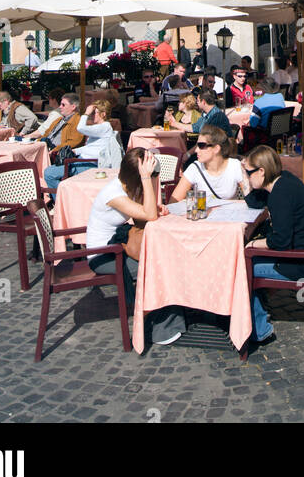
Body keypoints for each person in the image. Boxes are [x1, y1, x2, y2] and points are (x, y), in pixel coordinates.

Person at [84, 147, 183, 344]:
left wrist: (153, 201)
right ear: (138, 175)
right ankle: (161, 328)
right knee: (162, 269)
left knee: (166, 261)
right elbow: (149, 216)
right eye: (149, 173)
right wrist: (147, 181)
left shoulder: (128, 188)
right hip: (103, 256)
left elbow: (147, 215)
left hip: (118, 247)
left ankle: (167, 321)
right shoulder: (114, 194)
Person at [242, 144, 304, 347]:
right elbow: (254, 201)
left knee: (244, 266)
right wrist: (247, 182)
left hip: (302, 263)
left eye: (249, 172)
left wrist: (252, 243)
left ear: (261, 171)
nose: (247, 176)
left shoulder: (280, 194)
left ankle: (260, 329)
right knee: (251, 256)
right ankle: (260, 309)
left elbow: (280, 241)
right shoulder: (284, 180)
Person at [43, 99, 121, 198]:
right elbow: (91, 147)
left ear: (103, 114)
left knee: (49, 173)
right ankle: (67, 198)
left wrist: (86, 114)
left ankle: (65, 200)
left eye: (95, 113)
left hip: (90, 164)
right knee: (51, 171)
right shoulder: (100, 128)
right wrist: (75, 151)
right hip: (83, 160)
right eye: (92, 113)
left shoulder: (104, 127)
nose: (92, 115)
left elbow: (80, 128)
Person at [169, 124, 244, 207]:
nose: (196, 150)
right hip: (203, 216)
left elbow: (251, 200)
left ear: (216, 149)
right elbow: (173, 203)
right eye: (197, 146)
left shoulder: (235, 166)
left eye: (201, 146)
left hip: (230, 217)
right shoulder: (194, 168)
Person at [29, 92, 86, 161]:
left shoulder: (78, 122)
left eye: (63, 105)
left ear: (73, 107)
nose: (60, 107)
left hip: (55, 153)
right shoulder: (59, 120)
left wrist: (54, 151)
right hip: (44, 146)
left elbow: (73, 142)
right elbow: (46, 134)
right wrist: (36, 142)